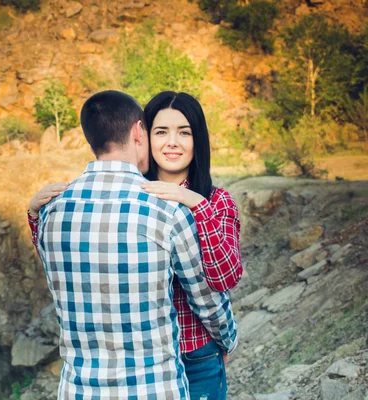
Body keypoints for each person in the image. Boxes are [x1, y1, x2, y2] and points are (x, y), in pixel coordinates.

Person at [28, 91, 242, 400]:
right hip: (144, 358)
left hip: (193, 355)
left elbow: (222, 283)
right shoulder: (137, 199)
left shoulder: (213, 201)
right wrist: (35, 214)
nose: (172, 142)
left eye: (184, 132)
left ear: (199, 140)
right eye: (161, 132)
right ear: (141, 135)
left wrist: (197, 205)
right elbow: (78, 264)